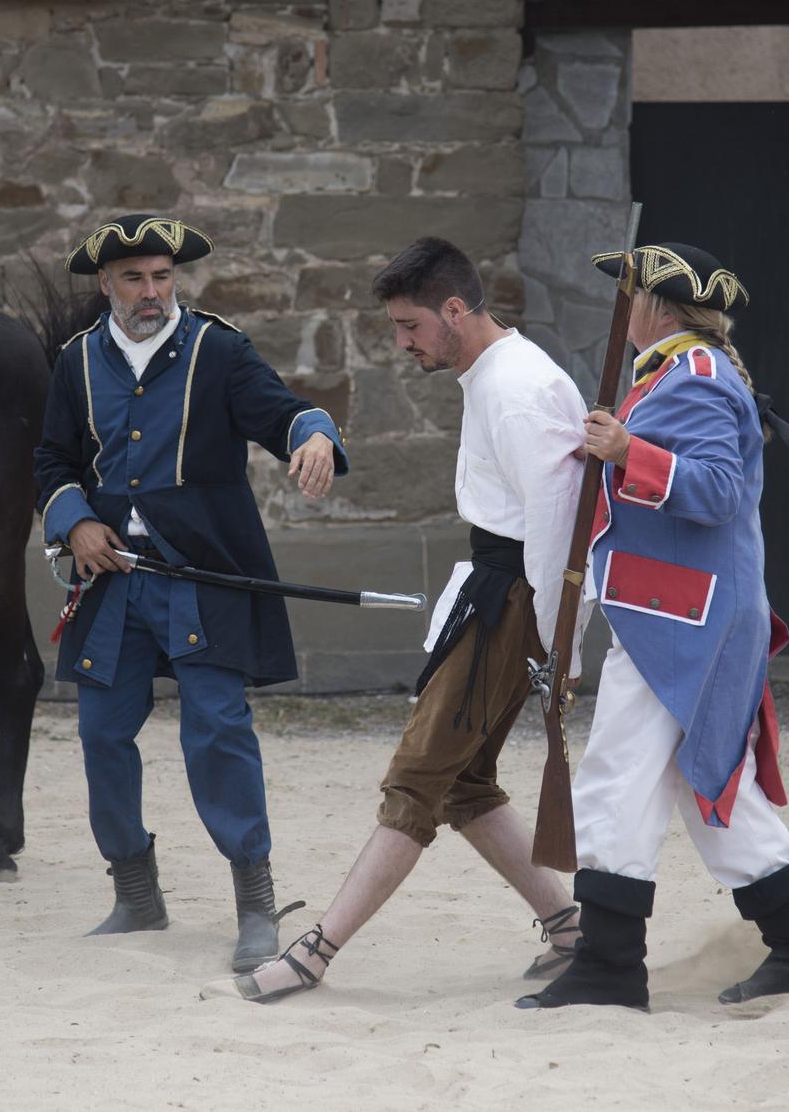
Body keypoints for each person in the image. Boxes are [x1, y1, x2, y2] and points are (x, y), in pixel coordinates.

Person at [208, 236, 586, 1003]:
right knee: (463, 784)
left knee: (415, 784)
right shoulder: (495, 374)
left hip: (511, 601)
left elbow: (557, 526)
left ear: (455, 309)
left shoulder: (514, 386)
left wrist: (557, 645)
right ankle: (573, 928)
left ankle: (315, 952)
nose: (403, 342)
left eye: (411, 325)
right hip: (500, 591)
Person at [519, 243, 789, 1012]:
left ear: (658, 308)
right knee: (703, 789)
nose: (620, 308)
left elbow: (715, 489)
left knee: (614, 775)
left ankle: (608, 963)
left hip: (684, 615)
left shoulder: (692, 374)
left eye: (627, 295)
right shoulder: (681, 371)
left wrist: (627, 448)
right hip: (673, 607)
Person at [34, 214, 348, 972]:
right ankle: (136, 891)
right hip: (113, 578)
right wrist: (74, 521)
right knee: (102, 731)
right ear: (106, 284)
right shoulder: (76, 361)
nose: (152, 292)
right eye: (136, 278)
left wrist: (315, 437)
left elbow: (285, 412)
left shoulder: (218, 348)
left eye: (163, 276)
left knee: (216, 728)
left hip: (201, 574)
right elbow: (50, 460)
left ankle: (254, 902)